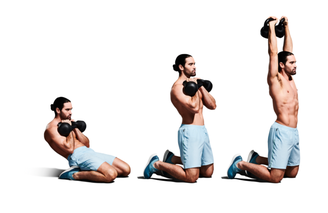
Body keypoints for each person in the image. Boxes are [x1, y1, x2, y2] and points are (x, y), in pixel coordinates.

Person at [227, 16, 300, 183]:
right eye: (292, 63)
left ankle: (257, 159)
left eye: (296, 62)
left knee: (292, 172)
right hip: (281, 131)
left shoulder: (290, 77)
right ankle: (241, 164)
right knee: (276, 177)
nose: (295, 65)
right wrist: (272, 27)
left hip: (294, 132)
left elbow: (286, 52)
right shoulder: (276, 79)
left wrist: (287, 27)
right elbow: (274, 53)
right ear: (282, 65)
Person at [143, 54, 217, 183]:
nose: (194, 67)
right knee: (191, 177)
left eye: (194, 64)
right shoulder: (177, 88)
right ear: (181, 67)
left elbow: (213, 105)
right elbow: (193, 107)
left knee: (207, 172)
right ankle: (156, 164)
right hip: (189, 131)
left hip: (202, 131)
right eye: (190, 64)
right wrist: (194, 87)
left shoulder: (194, 84)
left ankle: (172, 159)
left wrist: (200, 86)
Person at [44, 97, 131, 182]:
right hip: (77, 157)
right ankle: (73, 174)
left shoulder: (67, 122)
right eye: (67, 110)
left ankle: (94, 170)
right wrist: (69, 128)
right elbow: (70, 149)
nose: (70, 112)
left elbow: (86, 144)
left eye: (71, 109)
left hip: (88, 152)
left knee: (125, 170)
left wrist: (75, 127)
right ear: (58, 110)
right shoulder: (51, 129)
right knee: (111, 175)